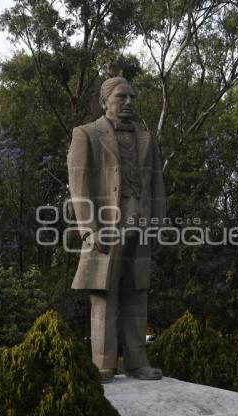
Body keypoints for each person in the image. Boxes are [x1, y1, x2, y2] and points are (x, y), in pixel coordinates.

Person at [67, 77, 166, 383]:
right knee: (105, 293)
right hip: (106, 223)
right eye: (122, 97)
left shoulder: (147, 137)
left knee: (137, 293)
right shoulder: (86, 134)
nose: (129, 102)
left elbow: (157, 185)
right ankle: (103, 363)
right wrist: (88, 229)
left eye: (132, 98)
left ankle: (137, 362)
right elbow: (78, 184)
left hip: (141, 221)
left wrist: (158, 223)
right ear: (104, 101)